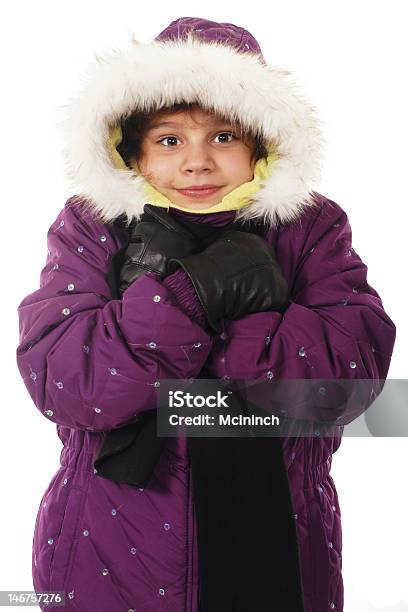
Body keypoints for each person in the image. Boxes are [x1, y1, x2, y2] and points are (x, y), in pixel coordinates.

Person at [15, 16, 396, 612]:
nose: (196, 162)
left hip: (277, 537)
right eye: (170, 140)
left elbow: (349, 372)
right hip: (111, 549)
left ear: (262, 144)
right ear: (132, 150)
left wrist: (187, 328)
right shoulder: (93, 226)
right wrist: (195, 293)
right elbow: (67, 378)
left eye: (223, 138)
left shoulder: (310, 227)